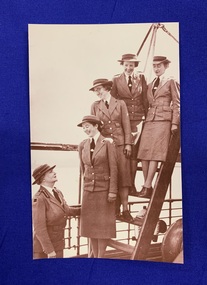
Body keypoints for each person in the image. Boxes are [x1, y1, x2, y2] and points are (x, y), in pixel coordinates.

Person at [90, 79, 133, 222]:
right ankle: (113, 209)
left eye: (99, 89)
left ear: (107, 88)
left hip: (120, 145)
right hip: (105, 146)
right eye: (95, 90)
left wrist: (128, 144)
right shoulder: (95, 106)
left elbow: (126, 125)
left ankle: (126, 209)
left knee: (123, 176)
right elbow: (94, 126)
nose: (97, 92)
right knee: (109, 176)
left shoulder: (120, 104)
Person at [137, 56, 180, 198]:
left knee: (155, 153)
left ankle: (147, 186)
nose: (156, 68)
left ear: (166, 66)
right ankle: (147, 186)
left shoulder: (171, 81)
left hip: (163, 120)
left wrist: (174, 123)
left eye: (159, 66)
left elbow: (176, 103)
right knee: (143, 153)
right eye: (154, 66)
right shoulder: (150, 84)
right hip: (150, 120)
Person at [77, 115, 118, 258]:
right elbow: (84, 170)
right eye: (83, 128)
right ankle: (93, 257)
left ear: (96, 126)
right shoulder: (83, 145)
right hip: (89, 191)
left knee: (102, 229)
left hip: (104, 191)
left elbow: (114, 168)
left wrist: (112, 191)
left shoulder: (107, 143)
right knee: (90, 228)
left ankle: (100, 258)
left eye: (87, 126)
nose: (85, 130)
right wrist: (86, 186)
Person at [111, 53, 148, 194]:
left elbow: (145, 98)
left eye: (131, 65)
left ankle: (131, 185)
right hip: (123, 120)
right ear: (123, 65)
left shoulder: (141, 77)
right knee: (127, 153)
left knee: (135, 153)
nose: (128, 68)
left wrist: (147, 115)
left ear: (135, 66)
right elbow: (114, 100)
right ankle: (127, 185)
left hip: (139, 119)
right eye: (126, 65)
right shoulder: (116, 79)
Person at [32, 164, 81, 259]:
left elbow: (67, 210)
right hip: (44, 250)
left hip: (58, 244)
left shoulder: (57, 192)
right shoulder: (39, 198)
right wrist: (49, 251)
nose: (55, 173)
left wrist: (88, 210)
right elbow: (39, 228)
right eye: (50, 172)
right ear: (43, 179)